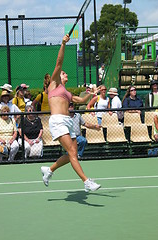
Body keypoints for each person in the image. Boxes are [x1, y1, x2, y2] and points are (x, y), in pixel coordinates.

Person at [40, 34, 101, 192]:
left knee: (72, 153)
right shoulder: (54, 84)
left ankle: (49, 170)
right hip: (58, 121)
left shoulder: (66, 92)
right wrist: (63, 43)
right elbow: (59, 61)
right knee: (73, 152)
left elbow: (80, 101)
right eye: (63, 73)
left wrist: (92, 94)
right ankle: (86, 181)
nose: (65, 73)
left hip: (67, 123)